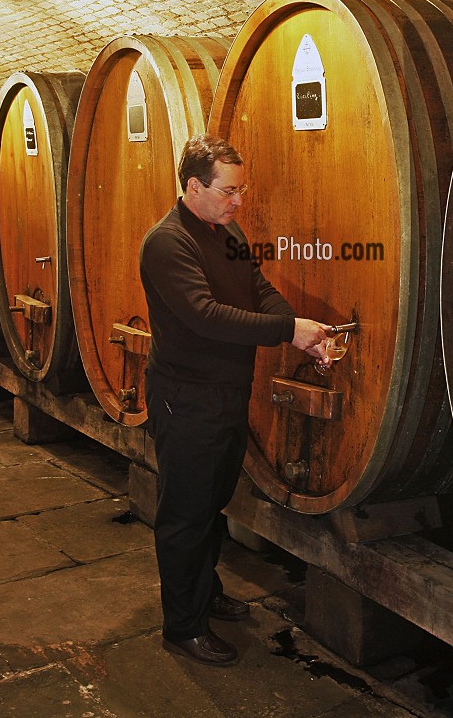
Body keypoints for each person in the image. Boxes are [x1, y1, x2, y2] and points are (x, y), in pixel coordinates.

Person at [139, 133, 332, 667]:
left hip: (225, 392)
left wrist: (298, 325)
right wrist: (287, 331)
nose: (238, 201)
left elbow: (256, 287)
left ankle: (204, 591)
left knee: (213, 501)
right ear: (193, 186)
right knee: (185, 512)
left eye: (241, 190)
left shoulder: (225, 230)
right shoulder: (167, 242)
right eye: (229, 191)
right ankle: (183, 625)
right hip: (186, 397)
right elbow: (205, 315)